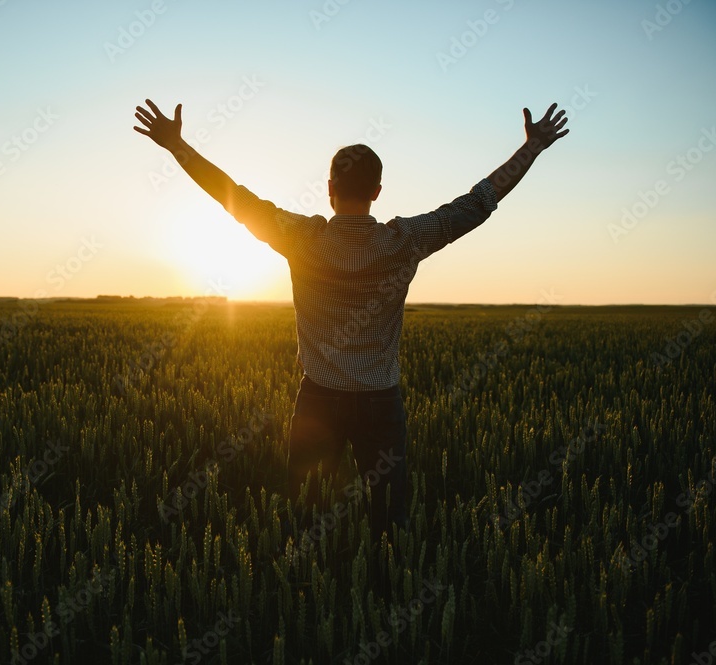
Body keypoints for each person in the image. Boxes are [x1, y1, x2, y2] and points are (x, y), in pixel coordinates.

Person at [134, 99, 569, 539]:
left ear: (329, 188)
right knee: (389, 524)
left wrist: (177, 146)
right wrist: (530, 149)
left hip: (318, 400)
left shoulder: (299, 237)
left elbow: (233, 196)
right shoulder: (407, 240)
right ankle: (384, 593)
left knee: (303, 520)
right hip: (382, 403)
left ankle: (311, 595)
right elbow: (478, 203)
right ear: (377, 190)